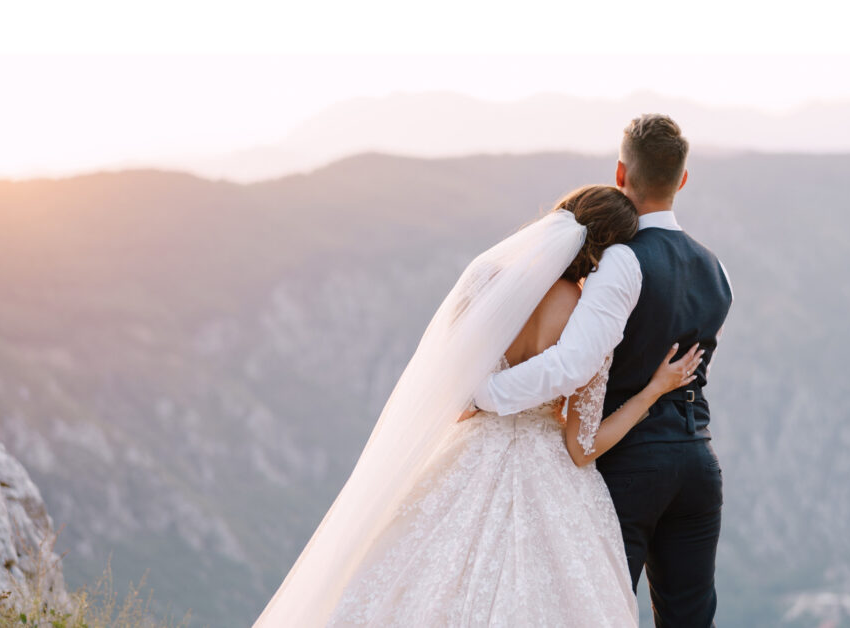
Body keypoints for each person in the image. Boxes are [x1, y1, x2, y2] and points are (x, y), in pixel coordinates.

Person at [253, 184, 705, 627]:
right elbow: (581, 447)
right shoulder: (588, 324)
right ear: (607, 255)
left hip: (466, 455)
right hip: (550, 473)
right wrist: (652, 391)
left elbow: (455, 398)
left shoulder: (486, 285)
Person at [473, 114, 733, 627]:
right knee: (691, 619)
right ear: (682, 179)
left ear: (620, 173)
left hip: (631, 465)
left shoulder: (622, 260)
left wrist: (487, 393)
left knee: (604, 611)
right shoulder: (717, 268)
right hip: (697, 462)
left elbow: (573, 363)